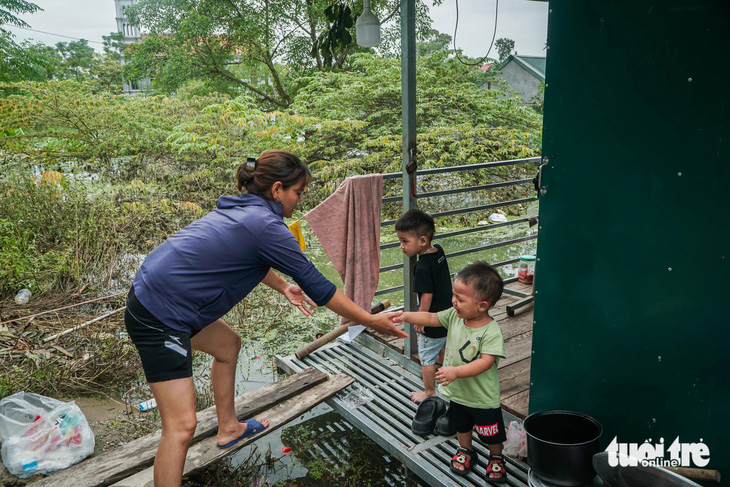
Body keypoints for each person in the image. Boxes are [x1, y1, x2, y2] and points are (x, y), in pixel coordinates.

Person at [124, 150, 407, 487]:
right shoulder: (266, 225)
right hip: (159, 315)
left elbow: (242, 255)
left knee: (228, 345)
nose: (299, 201)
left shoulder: (243, 208)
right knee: (181, 427)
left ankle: (229, 428)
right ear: (276, 190)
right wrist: (372, 321)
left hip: (163, 298)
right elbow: (320, 288)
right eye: (298, 192)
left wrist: (283, 286)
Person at [392, 261, 508, 483]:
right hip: (459, 394)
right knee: (461, 426)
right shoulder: (455, 316)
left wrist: (456, 372)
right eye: (454, 294)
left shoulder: (491, 331)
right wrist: (406, 315)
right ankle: (466, 450)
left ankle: (496, 456)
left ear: (482, 305)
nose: (453, 301)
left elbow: (485, 362)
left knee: (491, 432)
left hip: (483, 398)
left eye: (460, 298)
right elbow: (432, 318)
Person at [395, 209, 452, 403]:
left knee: (426, 358)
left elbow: (427, 294)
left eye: (404, 241)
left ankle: (429, 392)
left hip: (432, 319)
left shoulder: (422, 266)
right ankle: (446, 372)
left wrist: (420, 317)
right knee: (443, 346)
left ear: (422, 241)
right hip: (448, 315)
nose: (401, 246)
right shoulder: (439, 251)